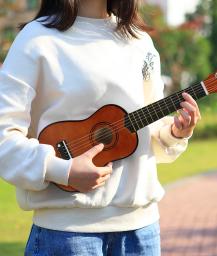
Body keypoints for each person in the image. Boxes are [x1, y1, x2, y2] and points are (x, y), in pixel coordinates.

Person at [0, 0, 201, 255]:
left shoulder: (140, 41)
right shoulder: (36, 39)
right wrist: (64, 170)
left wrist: (174, 133)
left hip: (142, 232)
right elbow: (3, 137)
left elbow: (147, 131)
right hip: (66, 236)